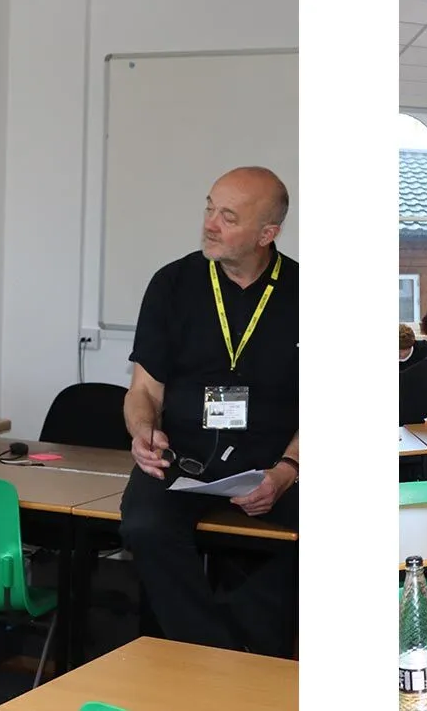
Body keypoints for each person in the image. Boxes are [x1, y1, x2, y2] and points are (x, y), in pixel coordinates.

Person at [119, 166, 299, 657]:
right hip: (183, 459)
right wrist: (142, 432)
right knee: (141, 526)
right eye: (208, 208)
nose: (209, 224)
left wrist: (286, 472)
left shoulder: (306, 294)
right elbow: (143, 391)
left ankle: (241, 637)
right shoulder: (173, 283)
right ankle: (221, 655)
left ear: (268, 234)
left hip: (275, 463)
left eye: (227, 216)